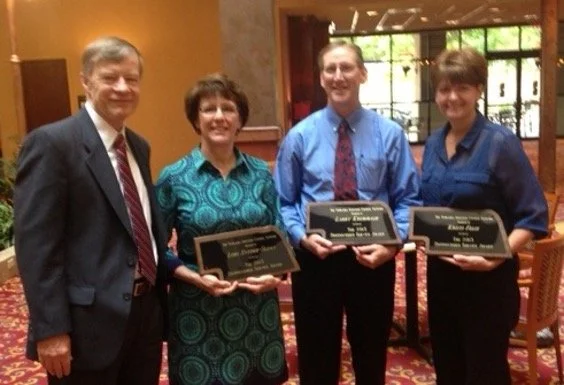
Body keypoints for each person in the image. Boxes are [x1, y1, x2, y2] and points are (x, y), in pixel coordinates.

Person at [14, 36, 168, 385]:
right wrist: (50, 329)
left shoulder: (138, 147)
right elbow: (37, 247)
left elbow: (138, 224)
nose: (122, 87)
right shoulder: (52, 143)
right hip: (86, 324)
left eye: (131, 78)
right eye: (110, 77)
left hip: (144, 316)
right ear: (86, 80)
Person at [274, 40, 421, 385]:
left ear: (362, 74)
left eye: (347, 68)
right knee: (316, 355)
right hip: (315, 259)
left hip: (373, 260)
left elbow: (409, 198)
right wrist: (301, 237)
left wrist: (393, 243)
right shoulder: (298, 137)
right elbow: (283, 201)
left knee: (371, 356)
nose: (338, 76)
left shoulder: (391, 135)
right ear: (321, 79)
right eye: (330, 69)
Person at [421, 47, 548, 385]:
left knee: (484, 372)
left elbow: (534, 216)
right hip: (441, 278)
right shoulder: (433, 144)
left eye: (462, 87)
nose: (452, 97)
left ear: (478, 89)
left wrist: (497, 255)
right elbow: (426, 205)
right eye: (445, 89)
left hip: (488, 282)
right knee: (448, 368)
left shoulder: (499, 143)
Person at [155, 73, 289, 385]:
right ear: (195, 119)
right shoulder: (174, 177)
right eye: (208, 109)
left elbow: (279, 231)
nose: (219, 117)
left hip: (256, 310)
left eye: (228, 108)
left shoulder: (259, 172)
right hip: (199, 310)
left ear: (240, 118)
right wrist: (191, 276)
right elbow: (153, 246)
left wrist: (277, 275)